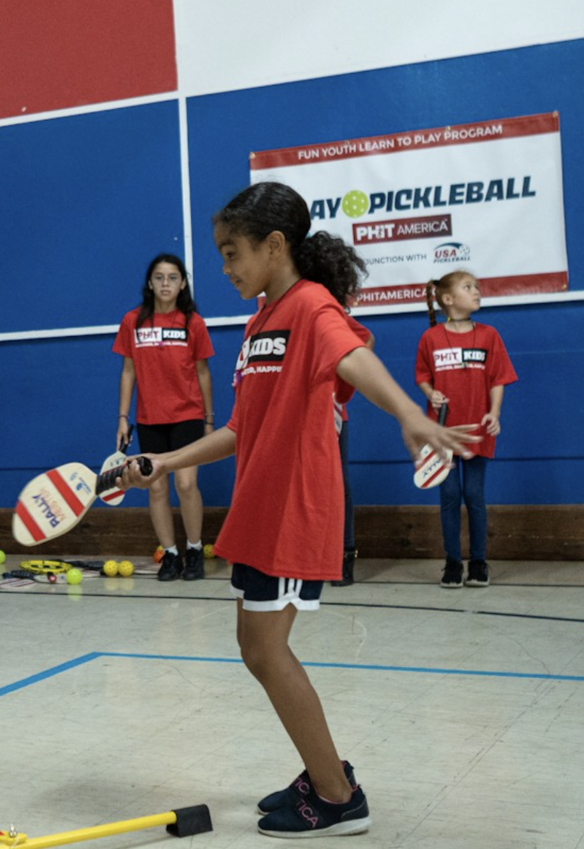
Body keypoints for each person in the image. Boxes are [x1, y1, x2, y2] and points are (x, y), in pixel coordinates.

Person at [121, 182, 476, 838]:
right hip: (258, 506)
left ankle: (338, 796)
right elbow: (240, 427)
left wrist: (407, 414)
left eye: (232, 252)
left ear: (275, 245)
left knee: (265, 649)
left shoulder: (310, 306)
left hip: (292, 507)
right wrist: (168, 462)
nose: (223, 267)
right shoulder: (260, 322)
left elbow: (354, 355)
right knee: (255, 648)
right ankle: (323, 773)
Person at [112, 253, 215, 580]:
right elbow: (128, 371)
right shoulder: (133, 321)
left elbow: (204, 373)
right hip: (149, 418)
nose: (166, 283)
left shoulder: (192, 322)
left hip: (187, 416)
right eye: (159, 277)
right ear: (150, 283)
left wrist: (209, 421)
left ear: (182, 283)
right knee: (156, 489)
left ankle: (195, 549)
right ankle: (171, 555)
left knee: (186, 485)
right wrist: (123, 417)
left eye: (172, 277)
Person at [415, 270, 516, 589]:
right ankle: (452, 563)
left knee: (474, 495)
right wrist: (430, 393)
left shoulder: (489, 335)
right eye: (469, 287)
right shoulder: (429, 338)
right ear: (448, 299)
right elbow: (422, 376)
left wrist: (495, 413)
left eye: (477, 287)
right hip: (441, 431)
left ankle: (478, 563)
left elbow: (499, 378)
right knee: (448, 496)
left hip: (477, 430)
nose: (477, 292)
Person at [331, 314, 374, 587]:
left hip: (332, 413)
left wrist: (346, 379)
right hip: (296, 415)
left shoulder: (329, 312)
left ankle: (345, 553)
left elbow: (365, 338)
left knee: (338, 484)